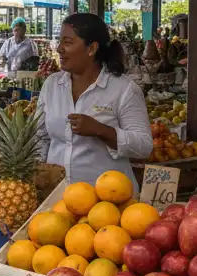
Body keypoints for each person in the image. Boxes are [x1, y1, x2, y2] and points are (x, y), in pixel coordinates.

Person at [35, 12, 152, 187]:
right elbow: (40, 137)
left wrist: (100, 130)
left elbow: (143, 146)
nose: (59, 48)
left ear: (91, 48)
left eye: (67, 42)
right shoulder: (52, 85)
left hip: (108, 201)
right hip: (57, 199)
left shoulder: (123, 89)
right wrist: (38, 172)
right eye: (60, 42)